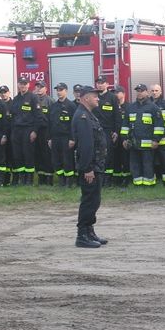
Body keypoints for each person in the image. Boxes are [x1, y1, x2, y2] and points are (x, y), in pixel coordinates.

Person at [72, 85, 107, 248]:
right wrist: (87, 169)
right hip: (90, 168)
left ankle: (89, 231)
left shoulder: (88, 114)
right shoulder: (82, 117)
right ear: (86, 98)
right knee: (89, 201)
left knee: (94, 200)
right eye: (95, 96)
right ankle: (82, 235)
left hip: (95, 166)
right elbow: (86, 145)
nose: (98, 98)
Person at [120, 84, 164, 186]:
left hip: (148, 144)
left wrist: (156, 140)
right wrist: (124, 139)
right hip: (134, 143)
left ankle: (149, 184)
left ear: (147, 92)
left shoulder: (153, 107)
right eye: (138, 91)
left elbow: (159, 125)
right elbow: (125, 125)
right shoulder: (131, 107)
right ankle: (138, 184)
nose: (139, 93)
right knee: (135, 165)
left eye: (142, 91)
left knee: (147, 164)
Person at [10, 77, 42, 186]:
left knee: (28, 154)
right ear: (18, 85)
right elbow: (12, 116)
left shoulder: (33, 98)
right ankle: (21, 178)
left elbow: (38, 116)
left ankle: (29, 180)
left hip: (28, 130)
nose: (22, 86)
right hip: (17, 130)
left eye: (25, 84)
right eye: (21, 84)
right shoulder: (15, 99)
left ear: (28, 85)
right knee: (17, 155)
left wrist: (35, 131)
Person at [93, 75, 120, 187]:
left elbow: (117, 116)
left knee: (108, 155)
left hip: (108, 131)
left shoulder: (112, 97)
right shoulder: (93, 97)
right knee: (96, 155)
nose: (99, 84)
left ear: (107, 84)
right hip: (95, 131)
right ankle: (98, 178)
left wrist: (116, 131)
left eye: (102, 82)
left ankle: (108, 180)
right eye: (98, 82)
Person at [48, 83, 77, 187]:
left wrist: (72, 139)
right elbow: (49, 123)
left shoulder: (71, 106)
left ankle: (69, 181)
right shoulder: (53, 106)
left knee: (67, 160)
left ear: (66, 91)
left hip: (66, 137)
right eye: (57, 90)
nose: (58, 92)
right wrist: (49, 138)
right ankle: (61, 180)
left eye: (61, 90)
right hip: (55, 137)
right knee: (56, 160)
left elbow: (74, 124)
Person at [151, 83, 165, 186]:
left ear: (160, 92)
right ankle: (153, 182)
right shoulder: (148, 104)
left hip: (164, 139)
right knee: (150, 162)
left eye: (156, 91)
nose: (154, 93)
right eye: (153, 91)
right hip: (151, 139)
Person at [34, 81, 55, 185]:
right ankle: (41, 177)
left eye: (41, 87)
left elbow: (53, 119)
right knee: (37, 154)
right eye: (37, 87)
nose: (39, 89)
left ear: (46, 88)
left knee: (47, 154)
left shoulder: (50, 101)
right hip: (36, 131)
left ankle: (49, 178)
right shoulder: (33, 100)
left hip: (46, 131)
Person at [0, 85, 14, 185]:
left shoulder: (14, 104)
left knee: (11, 157)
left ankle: (10, 179)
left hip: (12, 134)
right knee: (1, 157)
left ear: (9, 93)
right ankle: (3, 179)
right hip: (0, 135)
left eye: (5, 92)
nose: (3, 94)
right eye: (1, 92)